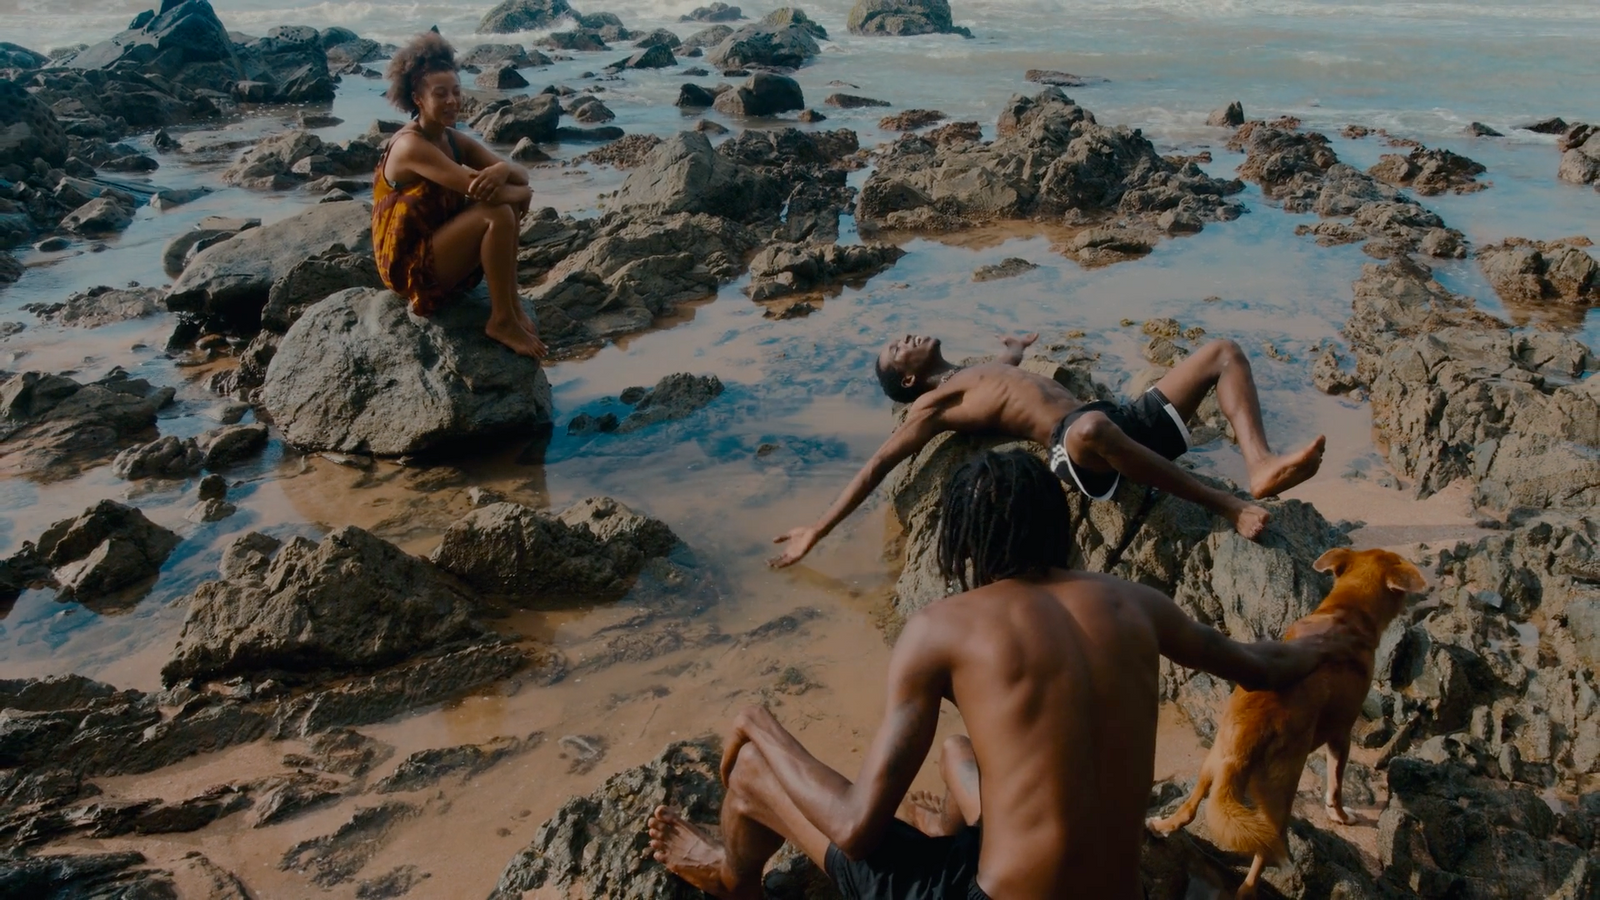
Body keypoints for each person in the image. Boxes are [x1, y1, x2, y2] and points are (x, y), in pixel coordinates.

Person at [648, 449, 1350, 900]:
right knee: (958, 754)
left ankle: (731, 879)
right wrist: (1326, 642)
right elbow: (1259, 663)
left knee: (749, 777)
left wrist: (759, 725)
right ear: (1057, 526)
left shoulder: (942, 628)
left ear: (961, 545)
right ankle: (946, 851)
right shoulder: (1135, 603)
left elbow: (858, 830)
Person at [770, 332, 1324, 566]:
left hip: (1122, 419)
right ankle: (1228, 506)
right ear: (908, 382)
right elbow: (877, 465)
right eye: (898, 350)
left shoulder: (971, 371)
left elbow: (1005, 384)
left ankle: (1260, 464)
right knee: (1086, 431)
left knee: (1222, 351)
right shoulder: (929, 407)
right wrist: (816, 529)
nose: (908, 338)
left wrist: (1011, 350)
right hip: (1075, 446)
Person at [375, 32, 546, 359]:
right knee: (497, 212)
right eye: (440, 94)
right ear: (418, 99)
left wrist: (502, 170)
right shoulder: (411, 145)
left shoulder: (452, 138)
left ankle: (509, 304)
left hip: (437, 245)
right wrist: (520, 189)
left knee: (503, 209)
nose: (452, 101)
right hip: (408, 265)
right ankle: (502, 320)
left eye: (456, 91)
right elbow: (477, 187)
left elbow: (516, 174)